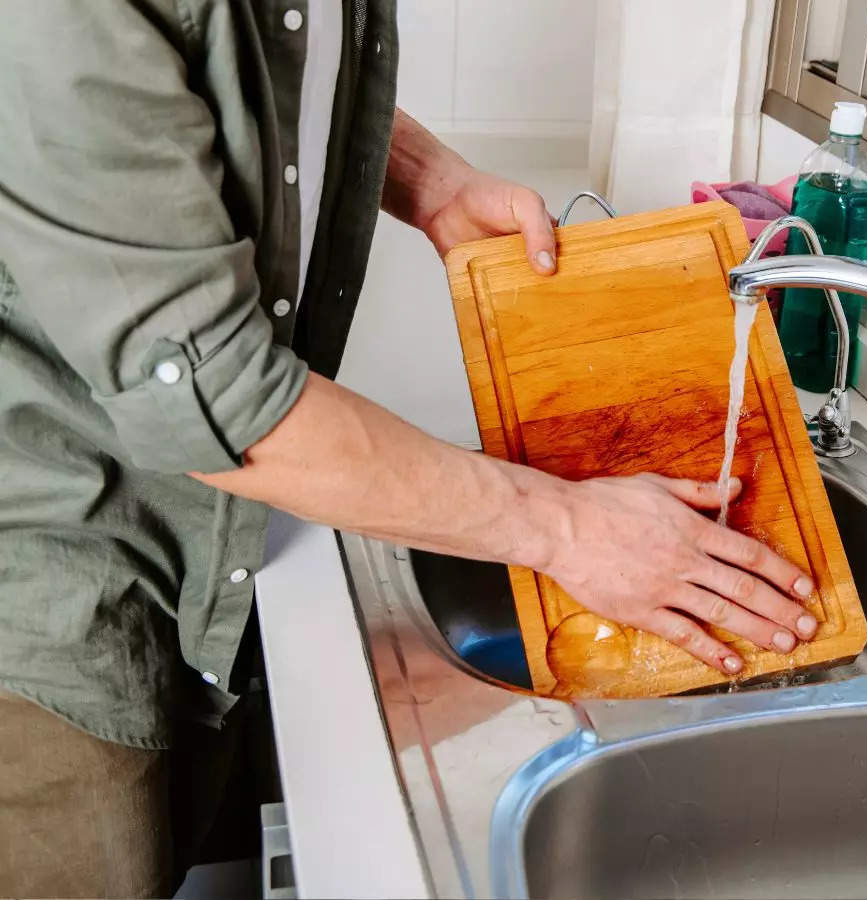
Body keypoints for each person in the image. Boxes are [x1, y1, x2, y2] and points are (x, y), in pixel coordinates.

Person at [0, 2, 819, 895]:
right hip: (42, 599)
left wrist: (427, 179)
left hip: (187, 556)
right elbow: (216, 402)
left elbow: (254, 78)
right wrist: (570, 532)